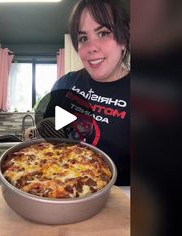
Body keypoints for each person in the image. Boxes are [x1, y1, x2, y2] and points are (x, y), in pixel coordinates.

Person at [43, 0, 130, 186]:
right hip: (59, 189)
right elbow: (51, 132)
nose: (91, 47)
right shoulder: (65, 84)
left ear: (124, 40)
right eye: (83, 38)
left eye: (103, 33)